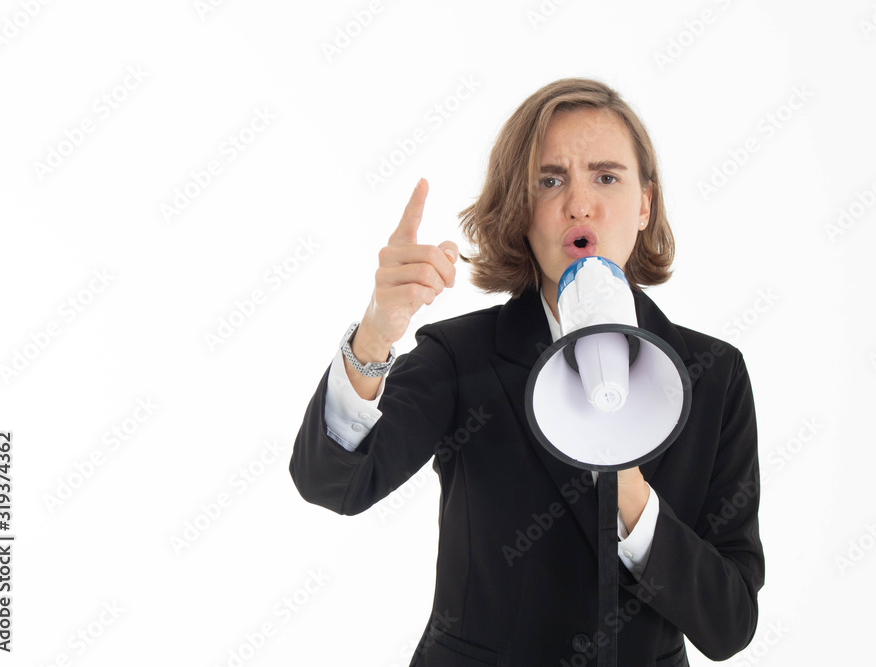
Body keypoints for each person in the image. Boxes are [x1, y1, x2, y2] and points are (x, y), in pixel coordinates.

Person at [289, 77, 764, 666]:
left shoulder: (715, 375)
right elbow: (332, 484)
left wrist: (631, 495)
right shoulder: (462, 355)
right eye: (551, 180)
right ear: (522, 208)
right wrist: (377, 333)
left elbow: (731, 623)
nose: (579, 203)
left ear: (645, 204)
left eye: (607, 177)